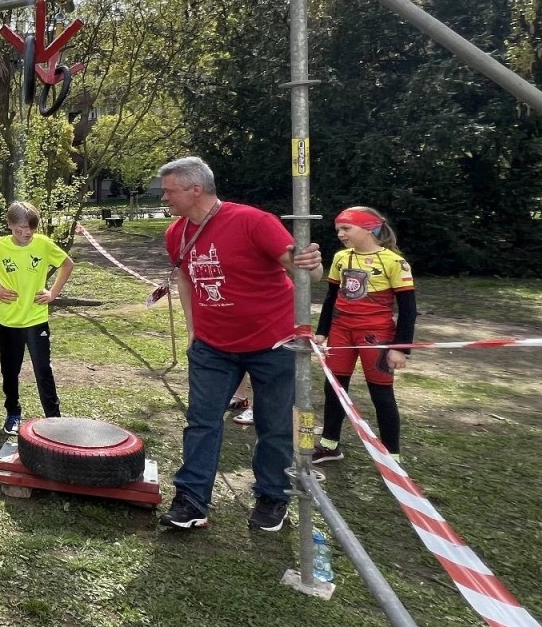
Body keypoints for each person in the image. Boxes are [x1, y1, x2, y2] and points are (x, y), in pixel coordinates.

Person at [156, 156, 322, 533]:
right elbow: (184, 278)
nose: (164, 197)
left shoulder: (252, 220)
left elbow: (304, 269)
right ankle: (192, 500)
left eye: (169, 190)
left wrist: (313, 264)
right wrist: (193, 328)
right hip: (213, 347)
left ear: (194, 189)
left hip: (274, 344)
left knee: (275, 424)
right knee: (201, 421)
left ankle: (272, 496)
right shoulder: (176, 234)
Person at [312, 206, 416, 465]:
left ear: (369, 228)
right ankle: (329, 444)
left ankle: (391, 456)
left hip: (376, 335)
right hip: (341, 331)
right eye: (338, 229)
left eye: (346, 228)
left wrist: (400, 347)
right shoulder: (340, 258)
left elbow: (408, 309)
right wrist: (322, 332)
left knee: (380, 393)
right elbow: (331, 297)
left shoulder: (394, 261)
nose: (340, 234)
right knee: (334, 388)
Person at [0, 201, 75, 435]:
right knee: (10, 370)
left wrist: (53, 293)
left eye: (30, 230)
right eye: (20, 230)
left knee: (43, 370)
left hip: (36, 320)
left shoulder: (44, 244)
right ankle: (13, 413)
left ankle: (54, 419)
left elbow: (67, 264)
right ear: (9, 225)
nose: (26, 234)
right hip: (9, 322)